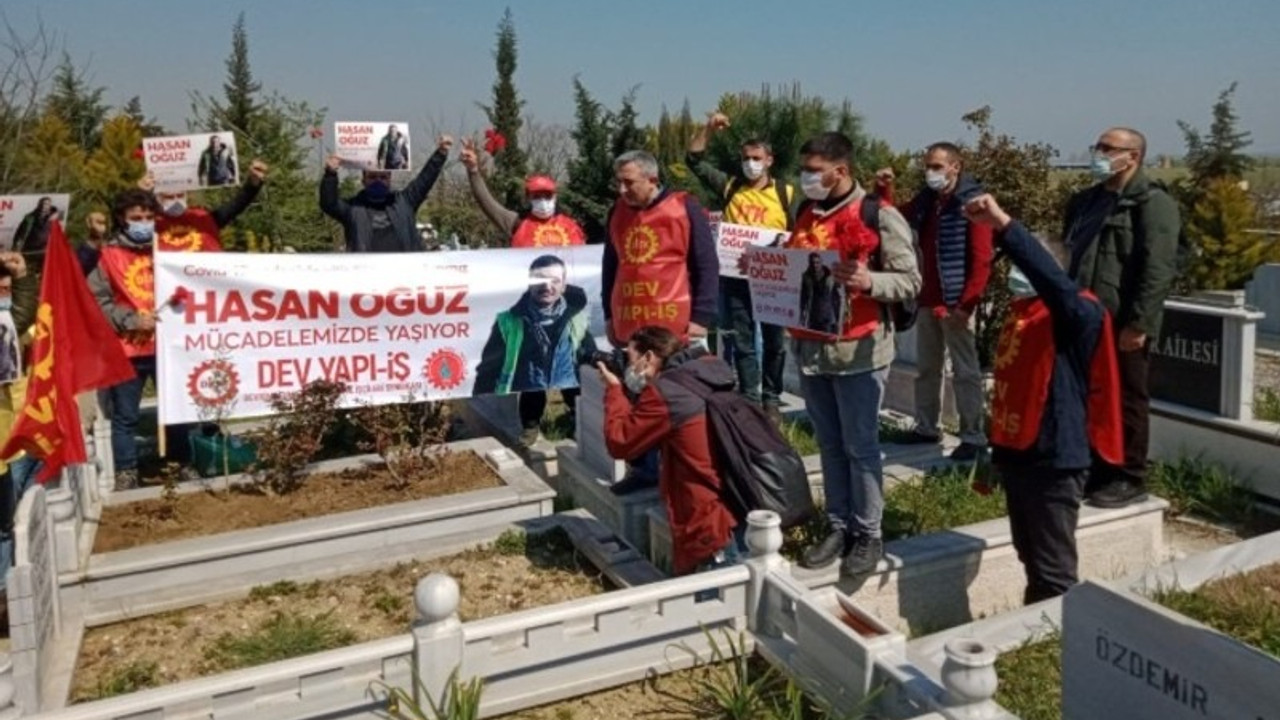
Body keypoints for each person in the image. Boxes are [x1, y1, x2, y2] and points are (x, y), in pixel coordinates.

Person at [964, 193, 1124, 603]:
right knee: (1028, 552)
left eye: (1023, 267)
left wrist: (1004, 225)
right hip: (1020, 451)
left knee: (1053, 569)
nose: (1016, 275)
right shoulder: (1023, 314)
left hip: (1056, 455)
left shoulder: (1077, 313)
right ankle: (1034, 626)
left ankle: (1060, 640)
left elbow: (1054, 284)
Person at [786, 132, 920, 580]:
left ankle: (869, 533)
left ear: (840, 171)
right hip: (812, 348)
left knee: (861, 447)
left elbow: (910, 280)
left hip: (859, 350)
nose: (806, 178)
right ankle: (839, 526)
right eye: (804, 169)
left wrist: (870, 282)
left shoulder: (878, 215)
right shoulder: (805, 212)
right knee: (829, 443)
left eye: (814, 170)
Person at [1065, 127, 1181, 508]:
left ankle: (1129, 476)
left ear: (1133, 156)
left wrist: (1139, 324)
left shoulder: (1151, 203)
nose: (1099, 153)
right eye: (1097, 145)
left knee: (1128, 398)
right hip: (1083, 319)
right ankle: (1095, 468)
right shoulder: (1085, 202)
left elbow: (1158, 268)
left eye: (1108, 148)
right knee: (1087, 396)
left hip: (1122, 322)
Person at [602, 150, 720, 495]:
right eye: (619, 182)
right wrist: (610, 314)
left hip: (673, 325)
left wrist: (702, 317)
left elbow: (706, 265)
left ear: (652, 179)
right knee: (635, 394)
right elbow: (612, 266)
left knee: (673, 399)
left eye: (629, 182)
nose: (622, 190)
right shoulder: (617, 213)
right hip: (631, 324)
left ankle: (680, 470)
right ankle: (643, 469)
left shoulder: (684, 208)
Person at [875, 144, 993, 461]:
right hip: (929, 299)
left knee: (966, 372)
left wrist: (966, 305)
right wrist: (885, 188)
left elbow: (982, 260)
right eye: (928, 166)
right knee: (928, 368)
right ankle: (927, 426)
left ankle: (973, 435)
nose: (931, 172)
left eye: (938, 166)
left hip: (957, 302)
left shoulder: (972, 203)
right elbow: (893, 216)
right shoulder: (928, 202)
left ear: (956, 167)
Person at [599, 325, 739, 575]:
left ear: (649, 357)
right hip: (735, 502)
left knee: (707, 607)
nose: (629, 368)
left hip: (706, 521)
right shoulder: (704, 370)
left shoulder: (667, 393)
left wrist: (614, 391)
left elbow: (620, 442)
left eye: (631, 359)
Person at [686, 112, 793, 420]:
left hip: (774, 277)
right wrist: (708, 128)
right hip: (736, 275)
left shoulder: (786, 193)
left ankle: (771, 399)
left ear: (769, 160)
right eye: (746, 158)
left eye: (757, 158)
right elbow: (693, 160)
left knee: (775, 342)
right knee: (742, 341)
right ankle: (750, 397)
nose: (751, 163)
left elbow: (799, 232)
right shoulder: (730, 187)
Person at [87, 189, 190, 490]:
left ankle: (180, 463)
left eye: (148, 217)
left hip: (167, 346)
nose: (144, 222)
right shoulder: (106, 256)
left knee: (175, 410)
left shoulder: (168, 251)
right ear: (122, 219)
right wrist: (132, 320)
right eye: (136, 218)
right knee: (125, 417)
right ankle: (127, 471)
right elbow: (97, 302)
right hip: (128, 348)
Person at [474, 255, 598, 445]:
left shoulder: (575, 315)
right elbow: (490, 359)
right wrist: (480, 386)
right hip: (531, 373)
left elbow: (585, 342)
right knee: (532, 392)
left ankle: (576, 423)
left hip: (566, 371)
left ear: (564, 285)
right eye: (540, 280)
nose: (547, 287)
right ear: (529, 283)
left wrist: (594, 355)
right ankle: (531, 426)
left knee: (574, 394)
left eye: (555, 281)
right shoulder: (509, 319)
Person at [320, 135, 452, 253]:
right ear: (363, 180)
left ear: (389, 179)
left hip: (406, 274)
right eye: (372, 177)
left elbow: (425, 179)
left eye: (383, 177)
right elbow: (328, 203)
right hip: (367, 276)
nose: (378, 181)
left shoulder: (405, 201)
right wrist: (330, 174)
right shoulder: (352, 208)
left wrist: (440, 153)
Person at [460, 137, 587, 248]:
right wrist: (473, 171)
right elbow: (487, 203)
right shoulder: (516, 222)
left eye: (547, 196)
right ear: (528, 198)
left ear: (555, 197)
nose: (543, 201)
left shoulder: (571, 226)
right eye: (537, 196)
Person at [0, 253, 37, 610]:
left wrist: (23, 276)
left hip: (10, 439)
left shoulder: (6, 326)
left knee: (7, 524)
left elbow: (21, 317)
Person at [146, 158, 269, 252]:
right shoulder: (148, 223)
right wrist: (141, 191)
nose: (176, 200)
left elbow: (238, 203)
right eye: (169, 197)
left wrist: (253, 184)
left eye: (180, 195)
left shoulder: (204, 218)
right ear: (158, 198)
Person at [799, 252, 842, 336]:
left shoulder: (831, 276)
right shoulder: (806, 277)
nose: (815, 265)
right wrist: (802, 315)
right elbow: (803, 297)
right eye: (812, 263)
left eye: (817, 262)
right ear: (809, 263)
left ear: (821, 262)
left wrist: (838, 319)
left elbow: (838, 297)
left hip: (829, 317)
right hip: (813, 317)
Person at [78, 211, 109, 276]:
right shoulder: (84, 253)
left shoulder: (106, 248)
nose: (102, 226)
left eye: (103, 223)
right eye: (99, 223)